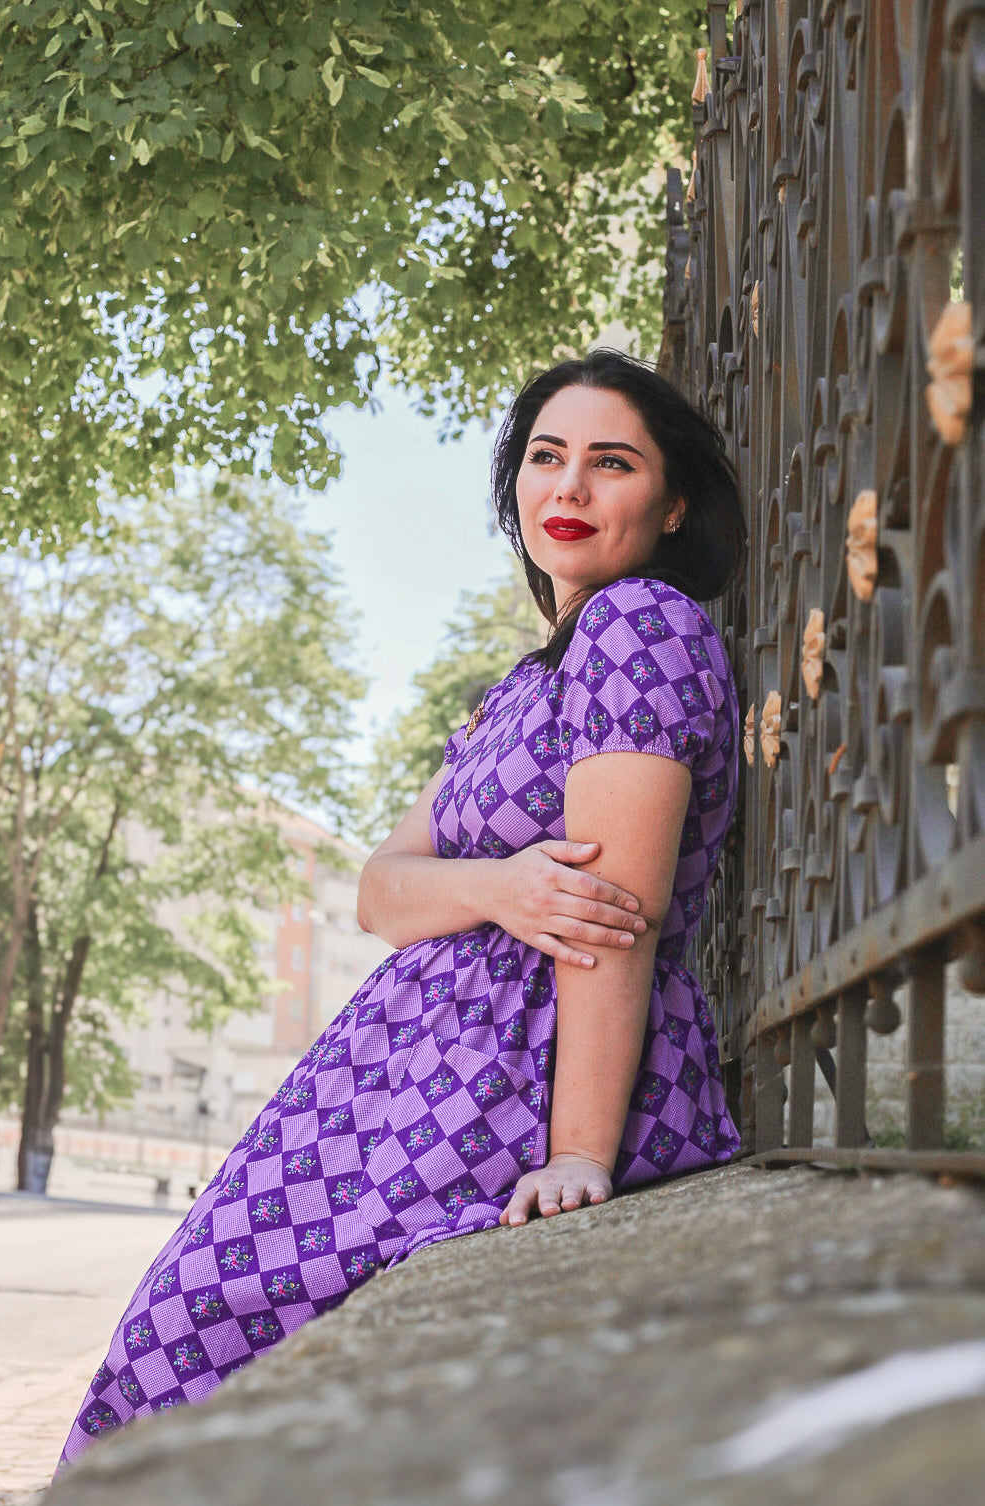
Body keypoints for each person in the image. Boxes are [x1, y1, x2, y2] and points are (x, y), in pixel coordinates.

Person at [59, 349, 746, 1467]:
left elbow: (601, 920)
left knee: (212, 1346)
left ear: (671, 504)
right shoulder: (519, 690)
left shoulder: (641, 625)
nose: (566, 489)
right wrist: (493, 884)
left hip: (511, 1078)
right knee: (172, 1337)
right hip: (391, 1082)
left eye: (608, 463)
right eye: (543, 458)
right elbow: (381, 891)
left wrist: (578, 1151)